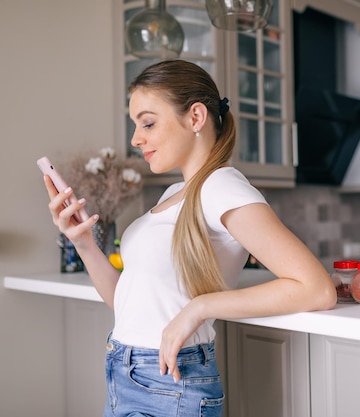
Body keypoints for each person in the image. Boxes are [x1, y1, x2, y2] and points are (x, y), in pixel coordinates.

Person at [43, 59, 337, 417]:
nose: (136, 139)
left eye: (148, 123)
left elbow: (315, 289)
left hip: (171, 383)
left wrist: (200, 308)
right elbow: (127, 303)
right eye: (135, 125)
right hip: (124, 373)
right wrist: (84, 243)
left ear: (195, 118)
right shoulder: (174, 191)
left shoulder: (222, 187)